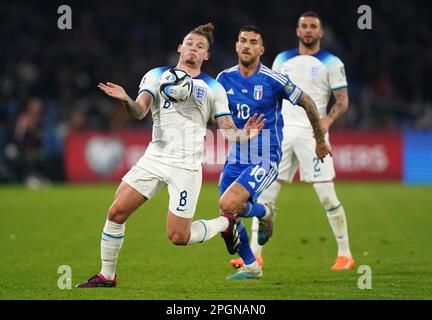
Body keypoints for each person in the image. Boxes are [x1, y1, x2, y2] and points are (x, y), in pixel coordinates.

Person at [76, 23, 265, 288]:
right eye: (189, 43)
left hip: (186, 166)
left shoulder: (213, 88)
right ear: (180, 47)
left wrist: (245, 134)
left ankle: (224, 224)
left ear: (205, 56)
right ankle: (107, 276)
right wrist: (125, 99)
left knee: (178, 236)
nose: (193, 49)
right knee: (116, 212)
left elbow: (226, 130)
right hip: (154, 158)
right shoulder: (156, 75)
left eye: (200, 47)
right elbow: (139, 112)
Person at [230, 12, 355, 271]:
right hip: (282, 135)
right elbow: (268, 93)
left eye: (313, 27)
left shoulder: (331, 62)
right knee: (264, 194)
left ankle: (345, 255)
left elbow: (342, 100)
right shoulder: (282, 59)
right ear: (297, 31)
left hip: (313, 135)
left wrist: (326, 123)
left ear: (320, 33)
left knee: (327, 196)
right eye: (304, 26)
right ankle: (254, 254)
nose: (308, 30)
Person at [216, 25, 331, 280]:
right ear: (236, 46)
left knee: (228, 203)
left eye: (253, 42)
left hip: (265, 156)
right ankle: (252, 265)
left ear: (261, 49)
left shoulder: (272, 79)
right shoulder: (223, 79)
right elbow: (217, 116)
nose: (247, 45)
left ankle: (264, 213)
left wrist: (319, 139)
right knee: (229, 211)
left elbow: (307, 102)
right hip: (237, 155)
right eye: (242, 40)